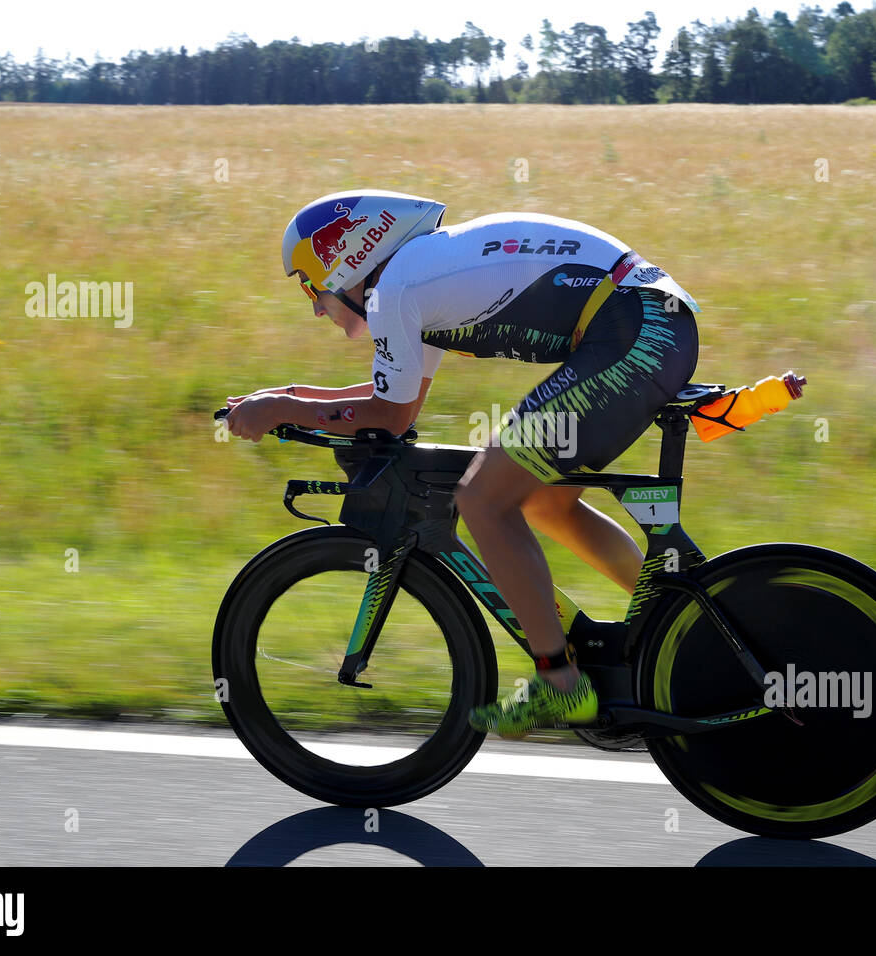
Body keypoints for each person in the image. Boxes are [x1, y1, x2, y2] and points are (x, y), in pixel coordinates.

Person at [224, 189, 700, 737]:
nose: (313, 305)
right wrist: (287, 398)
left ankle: (562, 684)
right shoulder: (416, 277)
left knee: (481, 499)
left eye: (311, 285)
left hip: (636, 333)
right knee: (542, 499)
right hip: (651, 325)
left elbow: (390, 416)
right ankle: (676, 626)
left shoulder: (398, 288)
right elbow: (392, 398)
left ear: (347, 257)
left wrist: (285, 407)